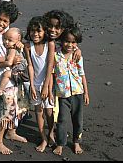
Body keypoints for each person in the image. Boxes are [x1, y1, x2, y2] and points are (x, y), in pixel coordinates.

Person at [0, 1, 27, 155]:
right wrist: (8, 60)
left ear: (10, 22)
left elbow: (21, 47)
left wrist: (20, 46)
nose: (1, 23)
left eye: (5, 21)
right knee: (3, 112)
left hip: (15, 80)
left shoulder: (12, 33)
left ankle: (11, 132)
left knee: (17, 108)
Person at [51, 25, 90, 156]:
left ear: (77, 43)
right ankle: (60, 143)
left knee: (78, 120)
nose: (70, 44)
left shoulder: (78, 56)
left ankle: (76, 141)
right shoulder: (56, 55)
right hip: (62, 94)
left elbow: (82, 74)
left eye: (73, 42)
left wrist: (86, 93)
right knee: (62, 120)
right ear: (61, 41)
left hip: (78, 93)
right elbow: (52, 74)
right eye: (67, 41)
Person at [43, 10, 82, 123]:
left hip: (59, 79)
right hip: (43, 75)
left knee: (55, 106)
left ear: (64, 28)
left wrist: (78, 49)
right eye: (50, 26)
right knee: (48, 105)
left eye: (57, 27)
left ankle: (54, 130)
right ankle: (51, 130)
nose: (53, 30)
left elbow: (72, 45)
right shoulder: (43, 38)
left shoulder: (63, 42)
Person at [23, 16, 55, 152]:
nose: (35, 34)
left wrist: (47, 87)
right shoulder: (28, 46)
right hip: (35, 84)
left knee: (49, 111)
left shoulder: (50, 44)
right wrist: (31, 85)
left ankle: (51, 132)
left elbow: (50, 66)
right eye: (32, 31)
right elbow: (30, 66)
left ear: (44, 32)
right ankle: (43, 138)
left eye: (38, 31)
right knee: (38, 110)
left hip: (48, 83)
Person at [0, 27, 28, 97]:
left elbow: (9, 62)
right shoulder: (18, 47)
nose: (6, 42)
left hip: (21, 73)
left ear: (18, 40)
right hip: (24, 72)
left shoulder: (12, 49)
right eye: (5, 39)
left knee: (6, 74)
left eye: (10, 40)